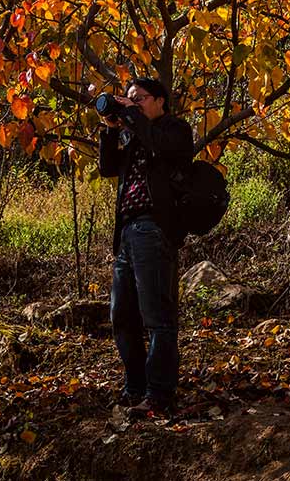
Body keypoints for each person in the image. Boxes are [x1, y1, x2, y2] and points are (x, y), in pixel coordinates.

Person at [97, 77, 193, 417]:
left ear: (160, 101)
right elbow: (107, 168)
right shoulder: (133, 137)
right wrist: (110, 129)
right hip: (126, 232)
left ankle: (159, 395)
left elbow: (162, 148)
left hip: (154, 227)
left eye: (139, 99)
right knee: (121, 315)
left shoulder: (175, 130)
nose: (132, 104)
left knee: (157, 316)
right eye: (129, 99)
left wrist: (133, 118)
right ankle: (135, 388)